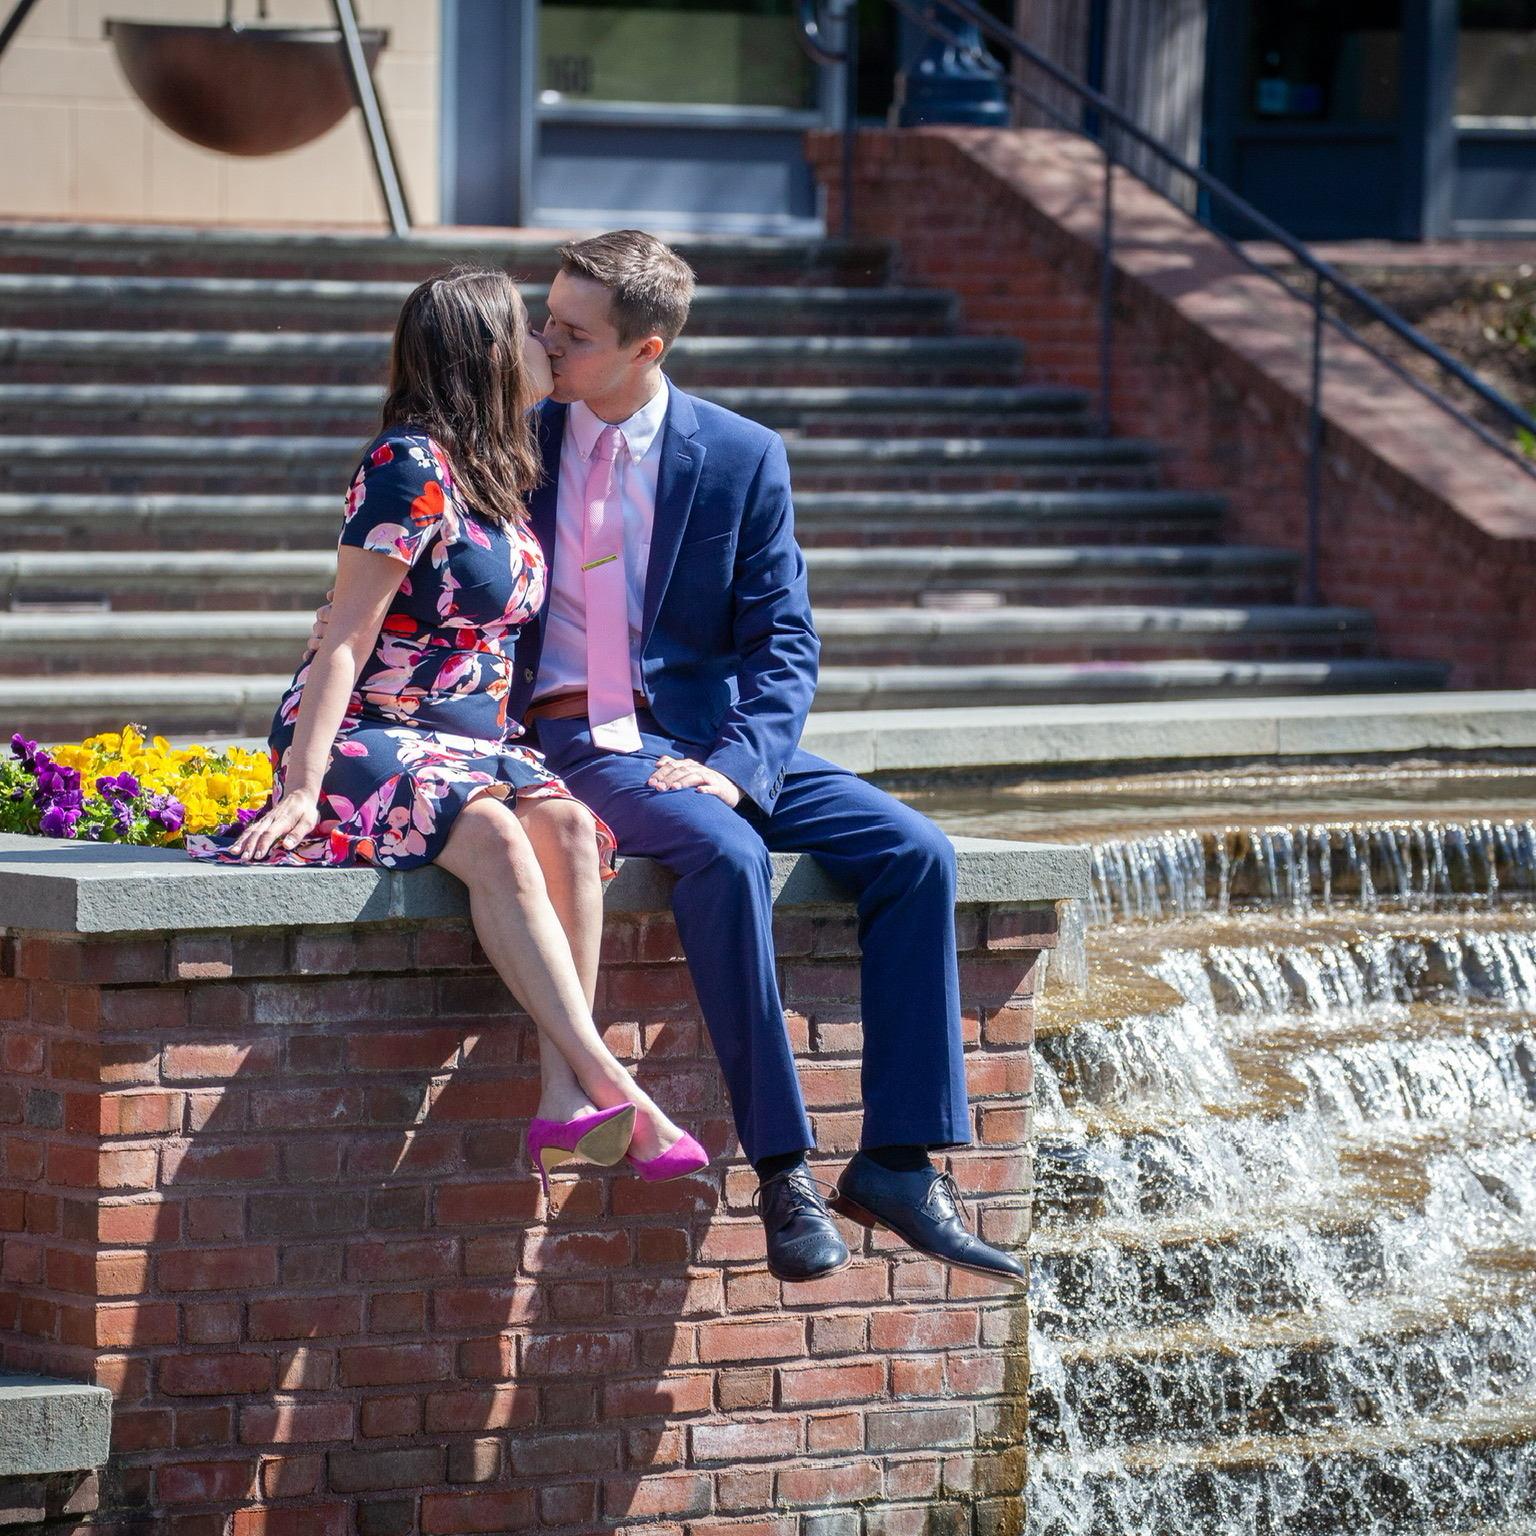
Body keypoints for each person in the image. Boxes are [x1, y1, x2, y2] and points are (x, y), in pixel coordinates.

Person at [311, 236, 1023, 1287]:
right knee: (725, 856)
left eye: (572, 332)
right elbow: (396, 579)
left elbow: (786, 639)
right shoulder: (514, 436)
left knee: (916, 853)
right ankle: (782, 1171)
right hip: (571, 735)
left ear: (646, 348)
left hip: (707, 733)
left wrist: (738, 766)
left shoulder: (739, 454)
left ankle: (901, 1163)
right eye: (546, 320)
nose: (544, 341)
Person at [187, 268, 707, 1200]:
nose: (547, 342)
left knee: (570, 829)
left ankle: (562, 1099)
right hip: (372, 732)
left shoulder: (499, 467)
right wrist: (300, 786)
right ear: (489, 352)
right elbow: (347, 639)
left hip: (470, 743)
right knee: (498, 833)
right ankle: (613, 1081)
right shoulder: (408, 464)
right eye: (530, 329)